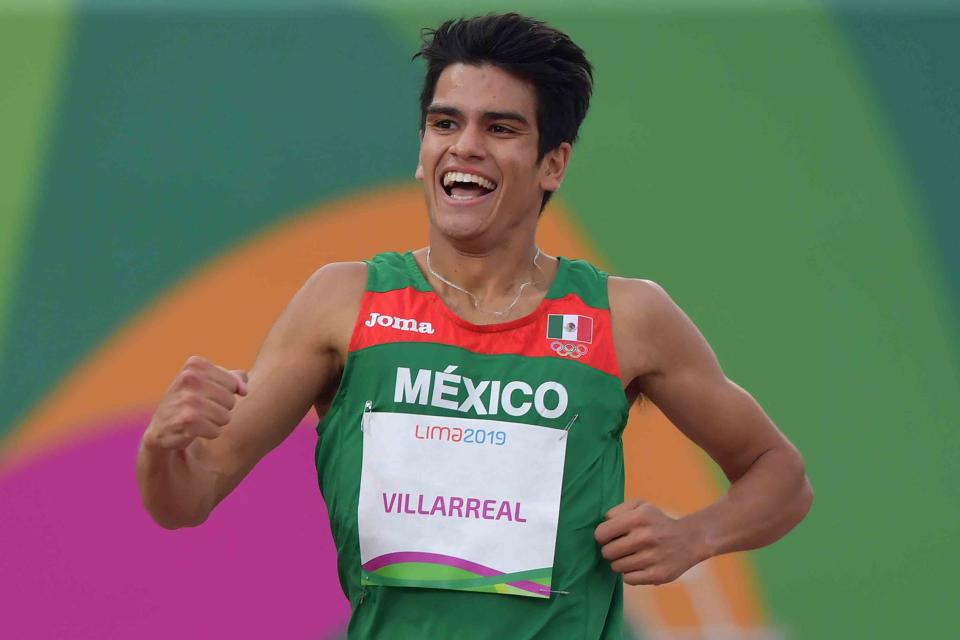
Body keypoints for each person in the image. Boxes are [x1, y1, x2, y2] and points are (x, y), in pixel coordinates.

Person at [137, 13, 812, 639]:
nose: (465, 147)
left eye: (500, 128)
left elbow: (778, 473)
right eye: (445, 123)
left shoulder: (626, 317)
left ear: (554, 163)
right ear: (422, 145)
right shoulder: (342, 302)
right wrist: (163, 448)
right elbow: (188, 496)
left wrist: (696, 536)